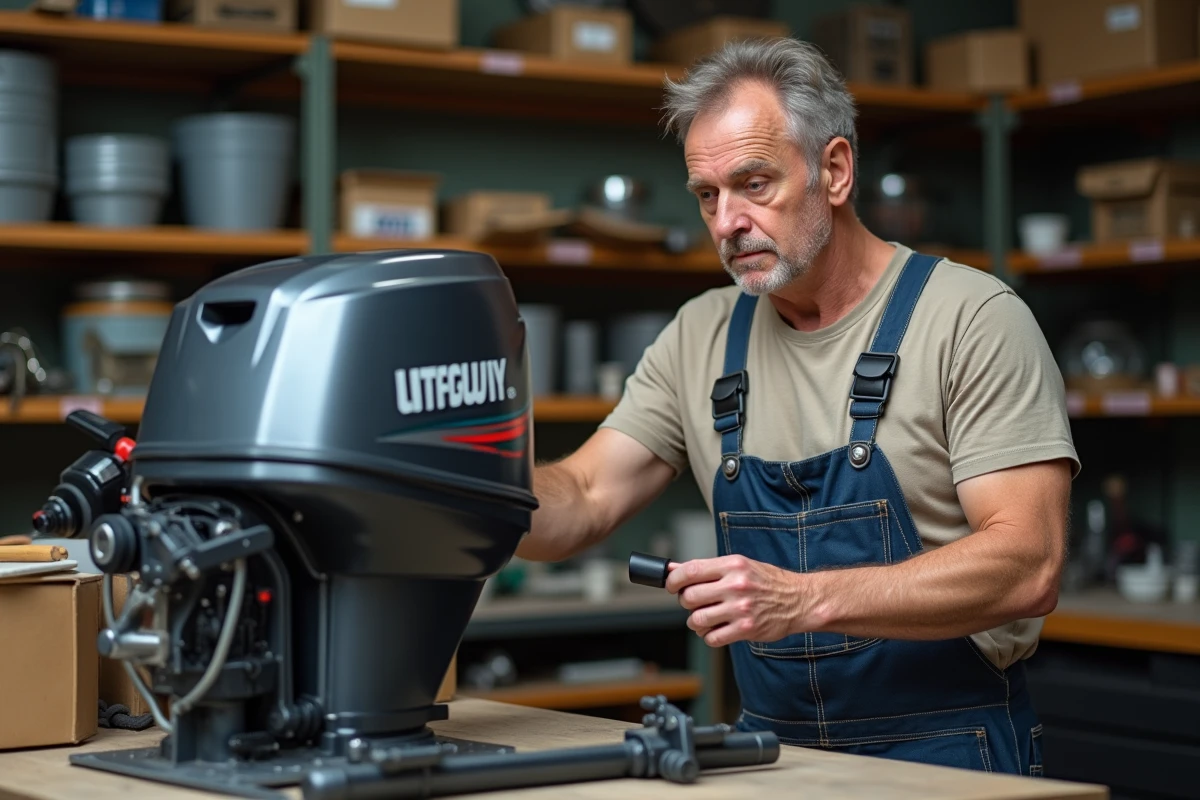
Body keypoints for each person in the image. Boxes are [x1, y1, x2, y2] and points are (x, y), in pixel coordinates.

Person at [515, 38, 1078, 776]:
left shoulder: (970, 319)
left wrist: (805, 599)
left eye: (754, 184)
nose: (726, 222)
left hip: (949, 751)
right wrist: (458, 485)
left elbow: (1028, 563)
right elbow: (584, 496)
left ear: (835, 171)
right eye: (707, 195)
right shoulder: (703, 334)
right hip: (772, 757)